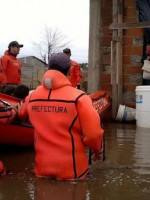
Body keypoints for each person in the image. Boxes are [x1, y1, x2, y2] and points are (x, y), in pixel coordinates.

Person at [19, 52, 103, 180]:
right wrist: (98, 151)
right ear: (69, 71)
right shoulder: (80, 97)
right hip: (73, 171)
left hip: (42, 169)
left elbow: (21, 115)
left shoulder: (32, 96)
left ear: (49, 69)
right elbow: (93, 135)